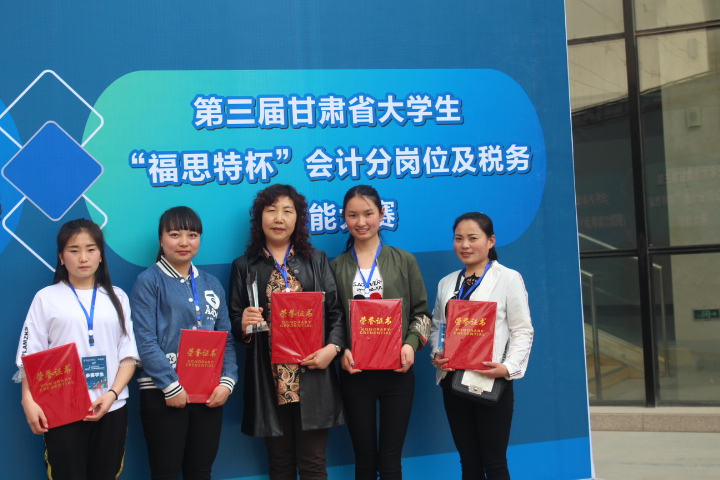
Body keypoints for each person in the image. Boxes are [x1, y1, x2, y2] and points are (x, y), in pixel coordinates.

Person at [229, 184, 346, 480]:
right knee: (279, 464)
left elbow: (335, 313)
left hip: (313, 373)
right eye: (271, 211)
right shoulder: (244, 266)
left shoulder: (316, 260)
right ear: (260, 218)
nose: (279, 218)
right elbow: (234, 320)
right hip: (270, 379)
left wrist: (332, 349)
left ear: (298, 218)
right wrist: (243, 324)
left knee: (313, 464)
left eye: (287, 211)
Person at [15, 218, 139, 480]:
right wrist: (28, 400)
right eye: (74, 250)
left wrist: (112, 394)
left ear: (101, 255)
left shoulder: (118, 297)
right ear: (61, 257)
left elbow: (128, 355)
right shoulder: (46, 298)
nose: (83, 258)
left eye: (91, 249)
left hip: (111, 407)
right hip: (60, 409)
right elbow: (30, 356)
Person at [330, 184, 431, 480]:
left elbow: (422, 315)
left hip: (398, 373)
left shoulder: (405, 261)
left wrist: (411, 344)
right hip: (355, 374)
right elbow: (330, 320)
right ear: (344, 218)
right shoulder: (334, 267)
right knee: (363, 461)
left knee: (390, 462)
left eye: (368, 213)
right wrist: (340, 351)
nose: (361, 222)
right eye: (353, 215)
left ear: (382, 214)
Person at [130, 206, 238, 480]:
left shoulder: (212, 284)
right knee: (165, 473)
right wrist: (171, 386)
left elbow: (225, 338)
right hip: (162, 392)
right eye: (175, 234)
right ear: (161, 239)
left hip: (209, 393)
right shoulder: (149, 281)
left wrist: (227, 382)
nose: (184, 242)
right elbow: (145, 340)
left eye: (192, 235)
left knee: (200, 472)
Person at [429, 212, 533, 480]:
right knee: (469, 462)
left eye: (473, 238)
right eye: (458, 238)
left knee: (494, 462)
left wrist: (508, 367)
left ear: (490, 241)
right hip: (453, 381)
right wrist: (437, 353)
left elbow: (522, 330)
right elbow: (437, 326)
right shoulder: (446, 283)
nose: (465, 245)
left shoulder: (508, 278)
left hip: (490, 380)